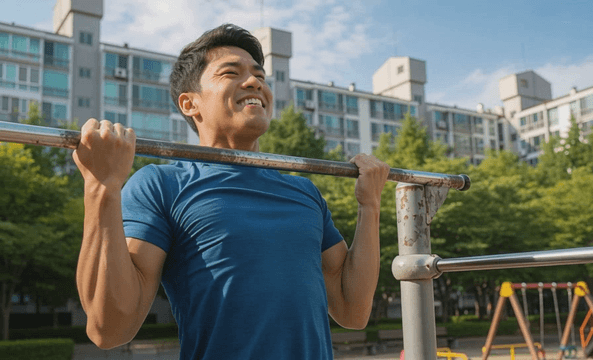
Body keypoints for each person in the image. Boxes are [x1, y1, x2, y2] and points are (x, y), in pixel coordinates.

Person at [73, 23, 390, 359]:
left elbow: (353, 311)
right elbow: (109, 328)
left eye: (260, 76)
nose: (255, 82)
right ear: (190, 104)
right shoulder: (161, 184)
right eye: (231, 72)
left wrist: (370, 206)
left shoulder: (305, 192)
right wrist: (101, 186)